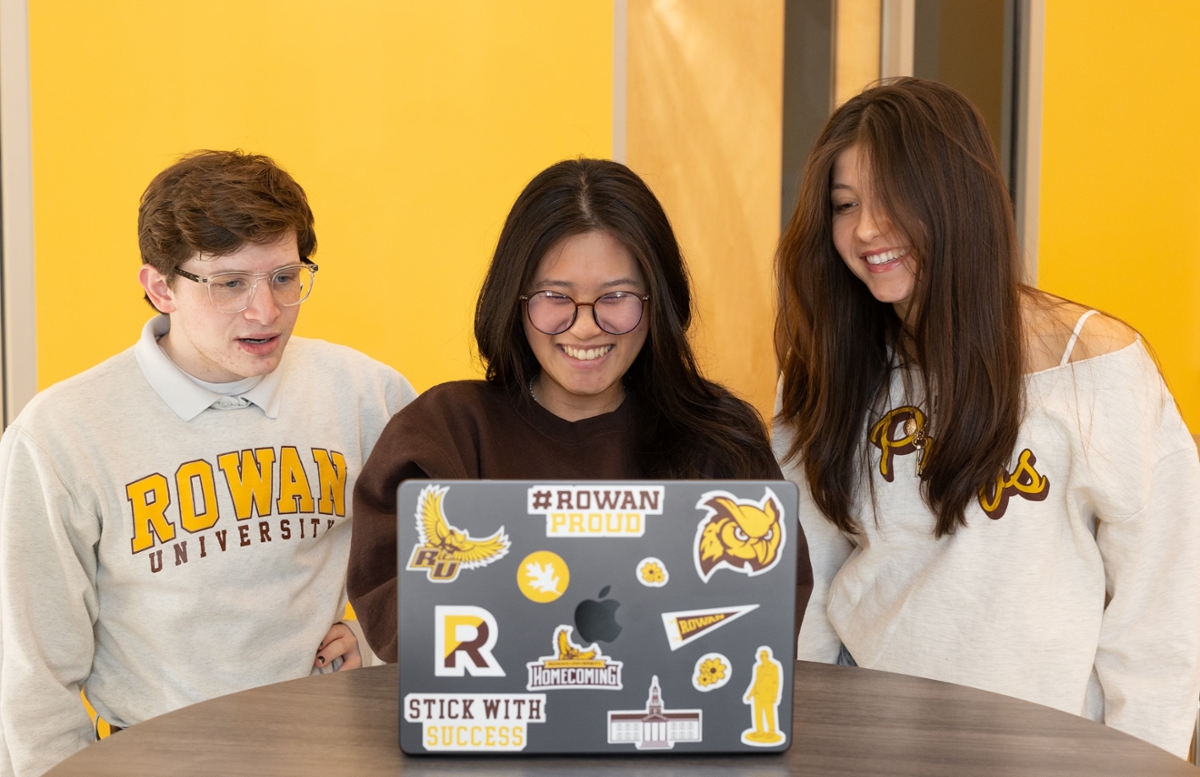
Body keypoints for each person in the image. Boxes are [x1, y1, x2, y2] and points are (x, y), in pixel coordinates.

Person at [773, 77, 1200, 757]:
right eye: (845, 205)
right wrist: (807, 741)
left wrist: (1142, 761)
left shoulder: (1094, 364)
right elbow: (811, 576)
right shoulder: (829, 367)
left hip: (1049, 748)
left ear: (956, 199)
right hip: (872, 741)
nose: (866, 230)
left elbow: (1161, 605)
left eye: (892, 200)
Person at [0, 150, 417, 776]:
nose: (266, 311)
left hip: (333, 750)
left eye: (284, 276)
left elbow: (443, 566)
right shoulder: (61, 433)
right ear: (160, 287)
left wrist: (382, 647)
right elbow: (32, 670)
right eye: (230, 284)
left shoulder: (366, 394)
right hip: (155, 759)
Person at [349, 158, 812, 662]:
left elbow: (763, 616)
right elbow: (400, 618)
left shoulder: (719, 439)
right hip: (489, 736)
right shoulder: (444, 432)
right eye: (555, 297)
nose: (586, 327)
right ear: (514, 298)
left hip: (677, 736)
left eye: (615, 296)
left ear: (658, 302)